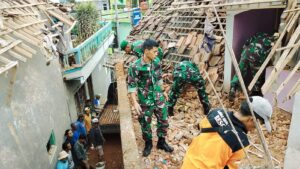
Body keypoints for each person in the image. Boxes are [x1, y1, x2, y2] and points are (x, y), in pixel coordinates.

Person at [181, 96, 273, 169]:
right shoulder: (242, 141)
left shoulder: (216, 112)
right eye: (259, 124)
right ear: (252, 119)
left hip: (187, 164)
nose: (257, 128)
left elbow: (200, 128)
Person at [127, 39, 173, 157]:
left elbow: (158, 78)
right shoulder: (135, 67)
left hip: (158, 97)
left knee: (163, 120)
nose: (156, 53)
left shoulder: (156, 61)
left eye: (157, 51)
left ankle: (161, 142)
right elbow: (132, 86)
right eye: (154, 51)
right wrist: (135, 103)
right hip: (145, 100)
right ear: (146, 51)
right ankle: (148, 143)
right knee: (145, 123)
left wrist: (163, 91)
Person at [229, 33, 276, 101]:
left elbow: (246, 43)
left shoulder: (259, 35)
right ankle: (254, 95)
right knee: (257, 76)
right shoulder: (273, 42)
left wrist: (245, 53)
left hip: (245, 53)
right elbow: (271, 56)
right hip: (257, 57)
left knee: (239, 72)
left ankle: (233, 89)